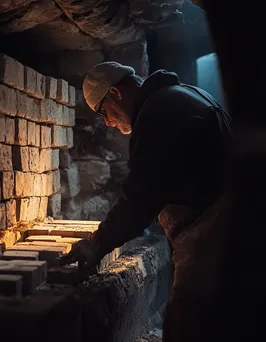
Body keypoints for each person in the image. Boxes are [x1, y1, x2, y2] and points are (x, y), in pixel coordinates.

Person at [60, 62, 232, 341]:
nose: (107, 122)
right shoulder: (184, 95)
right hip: (226, 224)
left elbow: (140, 198)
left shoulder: (158, 112)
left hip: (212, 231)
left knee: (190, 325)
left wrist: (96, 245)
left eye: (104, 112)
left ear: (115, 92)